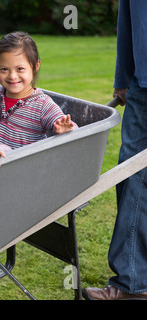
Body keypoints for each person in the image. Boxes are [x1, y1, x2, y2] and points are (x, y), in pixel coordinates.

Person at [83, 0, 147, 300]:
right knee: (132, 177)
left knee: (137, 181)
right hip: (141, 87)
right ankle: (134, 279)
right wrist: (123, 78)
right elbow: (129, 20)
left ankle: (134, 281)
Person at [0, 31, 77, 149]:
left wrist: (65, 129)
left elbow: (67, 125)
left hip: (23, 165)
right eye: (4, 69)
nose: (12, 76)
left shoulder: (42, 105)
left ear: (35, 66)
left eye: (20, 69)